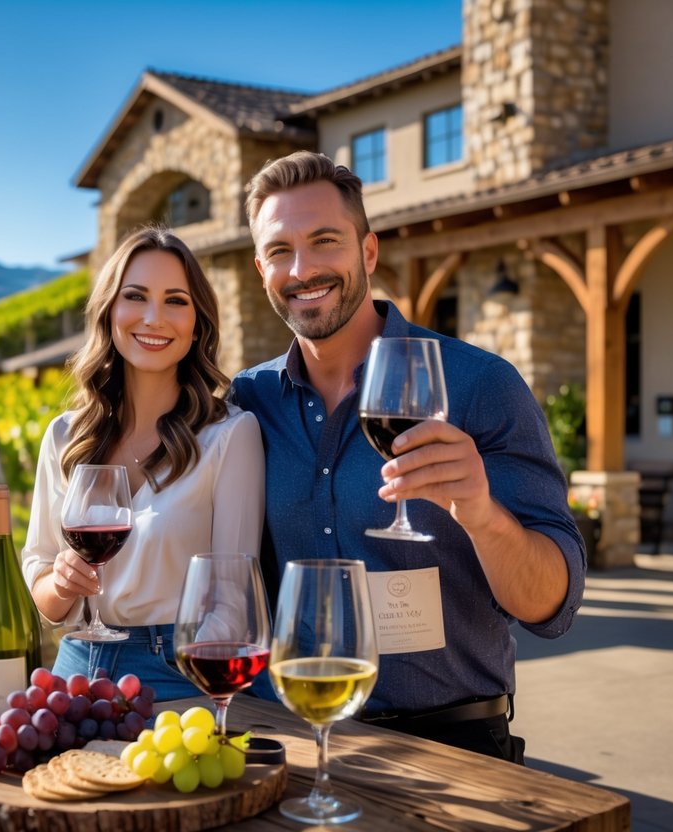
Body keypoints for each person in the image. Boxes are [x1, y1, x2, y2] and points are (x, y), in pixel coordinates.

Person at [230, 151, 586, 763]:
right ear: (262, 267)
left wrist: (480, 512)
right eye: (281, 250)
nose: (304, 268)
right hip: (294, 736)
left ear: (368, 252)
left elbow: (550, 605)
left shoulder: (479, 386)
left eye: (325, 241)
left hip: (452, 744)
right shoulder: (247, 402)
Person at [22, 225, 265, 700]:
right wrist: (63, 583)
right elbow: (41, 573)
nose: (154, 318)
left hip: (175, 672)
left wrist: (199, 688)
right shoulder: (65, 436)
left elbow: (231, 598)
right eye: (135, 296)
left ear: (198, 323)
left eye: (176, 300)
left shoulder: (230, 436)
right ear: (110, 311)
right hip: (72, 667)